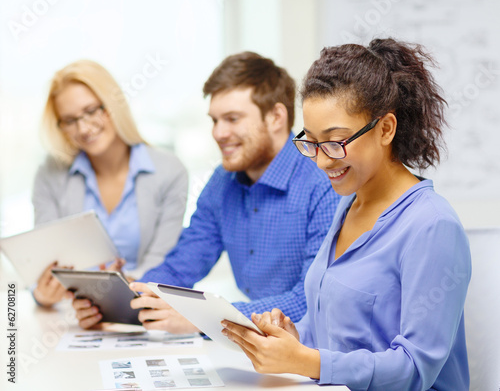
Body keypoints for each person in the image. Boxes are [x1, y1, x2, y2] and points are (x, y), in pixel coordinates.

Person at [221, 38, 471, 391]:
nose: (322, 160)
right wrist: (294, 337)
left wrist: (304, 361)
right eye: (311, 141)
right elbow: (334, 330)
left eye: (336, 141)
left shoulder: (432, 226)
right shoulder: (347, 204)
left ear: (385, 129)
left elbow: (415, 369)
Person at [73, 51, 341, 331]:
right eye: (215, 120)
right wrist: (120, 300)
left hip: (318, 349)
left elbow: (312, 300)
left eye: (232, 118)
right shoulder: (223, 181)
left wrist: (203, 318)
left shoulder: (324, 182)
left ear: (275, 117)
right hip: (266, 349)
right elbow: (182, 264)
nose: (218, 133)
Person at [32, 60, 188, 307]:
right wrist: (41, 296)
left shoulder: (169, 170)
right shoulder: (50, 173)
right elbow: (44, 260)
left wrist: (120, 289)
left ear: (113, 104)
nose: (83, 128)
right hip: (74, 314)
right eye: (70, 120)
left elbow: (162, 262)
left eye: (91, 110)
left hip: (143, 306)